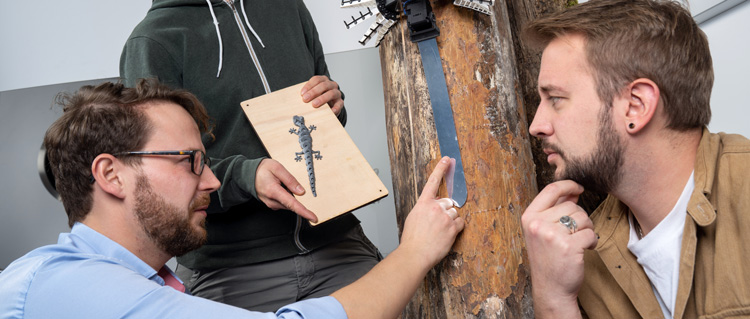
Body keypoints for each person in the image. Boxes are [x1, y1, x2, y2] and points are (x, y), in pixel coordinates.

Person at [0, 79, 464, 319]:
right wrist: (415, 252)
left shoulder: (150, 284)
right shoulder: (68, 288)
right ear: (110, 174)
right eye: (189, 161)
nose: (214, 183)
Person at [120, 0, 379, 312]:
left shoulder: (289, 7)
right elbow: (156, 172)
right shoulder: (152, 41)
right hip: (228, 268)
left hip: (338, 244)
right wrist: (245, 177)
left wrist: (332, 104)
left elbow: (325, 114)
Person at [520, 0, 750, 318]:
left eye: (556, 99)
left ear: (635, 106)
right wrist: (554, 299)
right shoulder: (578, 258)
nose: (537, 126)